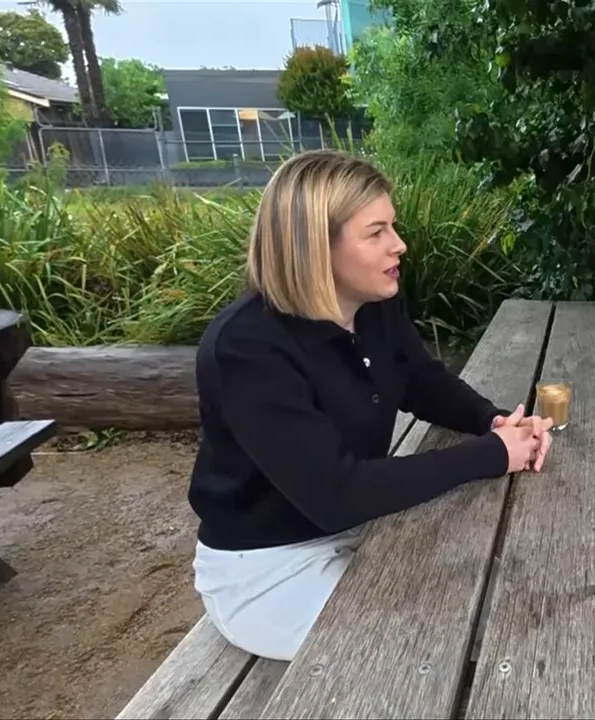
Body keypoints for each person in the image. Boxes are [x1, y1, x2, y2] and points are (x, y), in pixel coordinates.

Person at [187, 149, 552, 662]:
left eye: (393, 228)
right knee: (443, 653)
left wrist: (490, 420)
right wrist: (492, 454)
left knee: (499, 589)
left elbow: (421, 381)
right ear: (316, 246)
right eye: (375, 232)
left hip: (361, 524)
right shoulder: (246, 350)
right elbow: (335, 492)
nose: (399, 245)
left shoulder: (373, 306)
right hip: (267, 567)